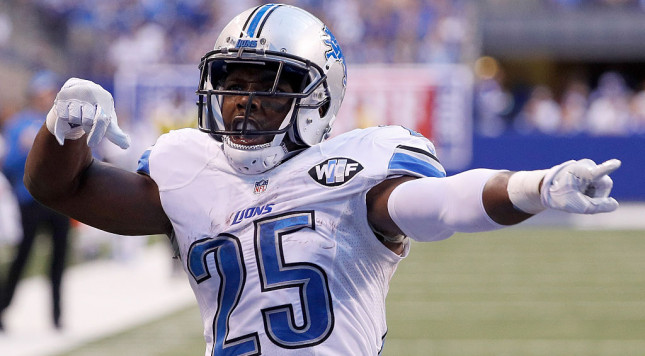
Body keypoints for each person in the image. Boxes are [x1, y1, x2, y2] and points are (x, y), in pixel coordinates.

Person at [24, 4, 620, 354]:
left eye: (268, 85)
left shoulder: (358, 169)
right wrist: (62, 129)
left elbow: (442, 204)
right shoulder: (190, 168)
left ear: (317, 97)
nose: (243, 102)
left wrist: (534, 187)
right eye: (234, 82)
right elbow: (60, 189)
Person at [0, 71, 72, 330]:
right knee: (22, 257)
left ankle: (57, 316)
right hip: (30, 199)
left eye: (50, 94)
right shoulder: (18, 124)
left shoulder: (61, 123)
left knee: (59, 260)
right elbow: (7, 165)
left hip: (58, 199)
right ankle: (2, 307)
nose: (47, 99)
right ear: (33, 97)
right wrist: (25, 149)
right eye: (43, 94)